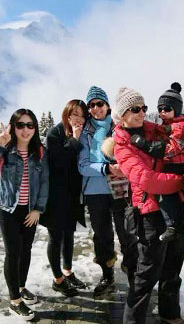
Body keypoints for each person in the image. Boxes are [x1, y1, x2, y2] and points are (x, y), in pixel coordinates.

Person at [112, 87, 184, 324]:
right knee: (146, 275)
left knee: (173, 266)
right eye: (135, 109)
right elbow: (147, 180)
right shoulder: (122, 145)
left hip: (173, 208)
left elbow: (178, 139)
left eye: (144, 108)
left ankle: (170, 313)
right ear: (122, 114)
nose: (142, 113)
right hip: (150, 213)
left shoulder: (153, 131)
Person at [0, 109, 49, 321]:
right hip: (8, 208)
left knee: (26, 249)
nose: (25, 130)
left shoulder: (39, 152)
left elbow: (45, 182)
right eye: (20, 125)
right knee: (13, 252)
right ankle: (15, 301)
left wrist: (38, 208)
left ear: (35, 128)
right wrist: (0, 144)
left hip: (29, 210)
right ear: (13, 127)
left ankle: (20, 287)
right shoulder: (6, 150)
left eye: (30, 125)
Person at [78, 86, 130, 296]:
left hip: (120, 187)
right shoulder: (84, 132)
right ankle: (107, 274)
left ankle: (131, 268)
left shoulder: (120, 126)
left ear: (108, 105)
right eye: (92, 105)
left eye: (100, 103)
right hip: (95, 191)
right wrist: (106, 168)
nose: (96, 108)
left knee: (127, 230)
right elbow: (82, 166)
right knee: (102, 235)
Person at [129, 82, 184, 242]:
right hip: (170, 166)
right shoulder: (166, 126)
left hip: (180, 166)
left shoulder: (183, 127)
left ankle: (175, 226)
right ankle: (173, 224)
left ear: (176, 109)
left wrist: (146, 145)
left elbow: (171, 149)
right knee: (167, 196)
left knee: (170, 196)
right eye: (160, 109)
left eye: (167, 109)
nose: (162, 112)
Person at [39, 99, 88, 297]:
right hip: (55, 195)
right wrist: (75, 140)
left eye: (82, 115)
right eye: (75, 114)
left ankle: (67, 272)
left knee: (69, 234)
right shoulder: (54, 133)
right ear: (67, 114)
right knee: (56, 236)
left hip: (72, 194)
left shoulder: (81, 132)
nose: (79, 118)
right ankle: (57, 279)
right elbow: (58, 163)